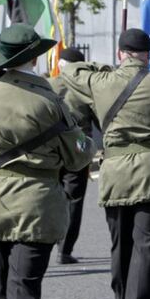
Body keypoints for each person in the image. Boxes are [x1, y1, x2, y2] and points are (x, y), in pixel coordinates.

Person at [0, 24, 95, 299]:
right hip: (36, 206)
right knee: (24, 290)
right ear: (34, 59)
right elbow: (78, 156)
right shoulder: (48, 100)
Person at [62, 28, 150, 299]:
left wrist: (109, 68)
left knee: (120, 246)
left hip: (116, 175)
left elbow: (70, 70)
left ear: (121, 53)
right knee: (147, 248)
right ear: (148, 55)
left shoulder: (101, 81)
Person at [47, 47, 100, 265]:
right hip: (77, 147)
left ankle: (44, 242)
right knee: (74, 198)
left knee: (48, 196)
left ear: (60, 65)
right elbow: (100, 118)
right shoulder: (86, 88)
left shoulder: (48, 85)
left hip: (50, 148)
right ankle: (65, 249)